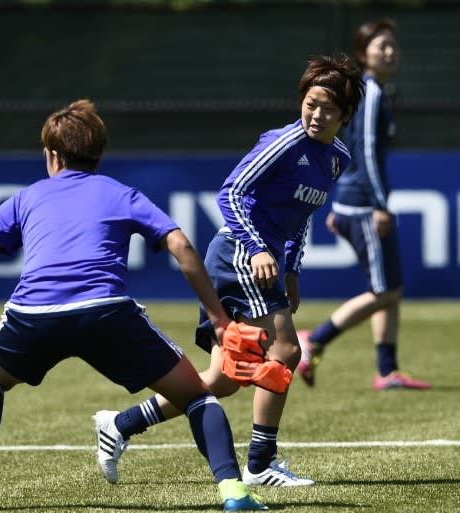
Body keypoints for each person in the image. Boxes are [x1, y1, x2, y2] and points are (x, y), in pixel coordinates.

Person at [0, 99, 268, 511]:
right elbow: (182, 246)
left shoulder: (26, 198)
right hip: (107, 313)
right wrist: (219, 319)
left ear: (53, 155)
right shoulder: (121, 193)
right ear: (99, 153)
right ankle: (233, 492)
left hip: (34, 315)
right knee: (197, 396)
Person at [92, 55, 364, 488]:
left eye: (328, 109)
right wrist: (258, 248)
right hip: (238, 253)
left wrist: (291, 268)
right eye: (311, 104)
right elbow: (231, 192)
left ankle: (120, 424)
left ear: (346, 116)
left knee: (222, 380)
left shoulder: (337, 158)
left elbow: (302, 216)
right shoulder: (284, 143)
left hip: (266, 262)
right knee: (287, 351)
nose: (316, 114)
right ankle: (260, 463)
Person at [296, 19, 430, 391]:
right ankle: (315, 339)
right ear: (362, 52)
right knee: (385, 291)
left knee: (390, 287)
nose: (389, 51)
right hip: (365, 205)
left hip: (357, 203)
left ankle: (387, 372)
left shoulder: (373, 92)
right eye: (380, 45)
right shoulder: (369, 92)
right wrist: (380, 204)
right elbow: (366, 153)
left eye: (393, 46)